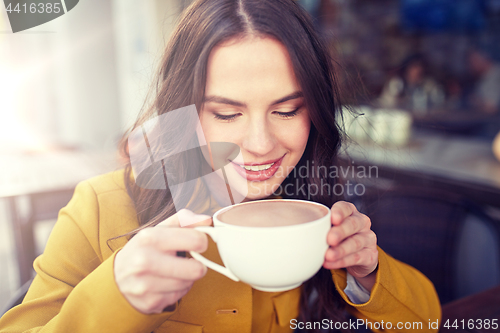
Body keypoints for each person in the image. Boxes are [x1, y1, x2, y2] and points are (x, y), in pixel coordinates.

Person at [0, 0, 441, 332]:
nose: (260, 145)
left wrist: (368, 272)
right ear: (183, 111)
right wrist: (115, 294)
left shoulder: (309, 200)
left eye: (287, 110)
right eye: (226, 115)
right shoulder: (101, 208)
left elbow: (427, 320)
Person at [378, 54, 445, 116]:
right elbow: (385, 105)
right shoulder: (396, 83)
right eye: (415, 66)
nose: (418, 70)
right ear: (407, 68)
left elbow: (439, 106)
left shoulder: (429, 85)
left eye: (421, 67)